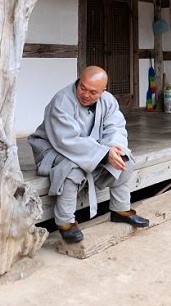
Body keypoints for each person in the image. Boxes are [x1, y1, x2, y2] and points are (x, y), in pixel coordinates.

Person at [28, 66, 149, 243]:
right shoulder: (62, 101)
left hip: (93, 149)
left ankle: (120, 210)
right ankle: (65, 223)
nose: (85, 94)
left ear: (103, 91)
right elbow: (66, 140)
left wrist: (113, 148)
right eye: (82, 88)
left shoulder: (108, 101)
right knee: (73, 168)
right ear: (79, 81)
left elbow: (115, 128)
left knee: (123, 159)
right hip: (53, 151)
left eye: (93, 92)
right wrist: (103, 153)